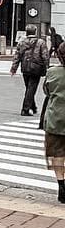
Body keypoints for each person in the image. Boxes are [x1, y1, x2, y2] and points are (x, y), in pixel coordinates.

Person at [41, 43, 65, 205]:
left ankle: (62, 185)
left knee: (57, 154)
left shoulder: (52, 72)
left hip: (56, 119)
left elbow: (46, 91)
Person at [11, 25, 49, 116]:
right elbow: (45, 56)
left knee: (29, 88)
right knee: (31, 89)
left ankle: (33, 107)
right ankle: (25, 109)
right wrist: (47, 68)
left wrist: (13, 68)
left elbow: (17, 56)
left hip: (25, 68)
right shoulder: (41, 42)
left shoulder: (21, 42)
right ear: (35, 32)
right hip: (36, 68)